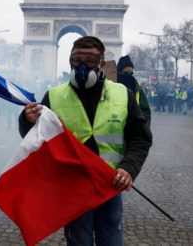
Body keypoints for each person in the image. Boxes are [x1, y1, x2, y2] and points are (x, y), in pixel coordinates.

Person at [19, 36, 152, 245]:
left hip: (110, 183)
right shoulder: (53, 96)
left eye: (89, 61)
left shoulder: (123, 94)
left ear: (102, 64)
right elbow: (34, 137)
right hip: (73, 186)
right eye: (76, 59)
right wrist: (27, 120)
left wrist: (129, 169)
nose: (81, 66)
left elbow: (140, 138)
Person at [116, 55, 152, 127]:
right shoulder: (110, 87)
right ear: (119, 72)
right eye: (126, 73)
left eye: (131, 73)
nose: (129, 76)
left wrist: (144, 128)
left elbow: (146, 112)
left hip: (133, 130)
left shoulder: (137, 88)